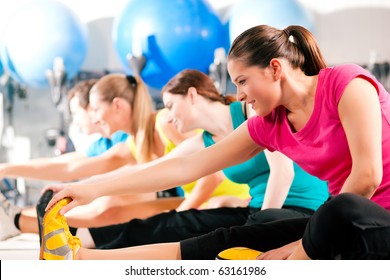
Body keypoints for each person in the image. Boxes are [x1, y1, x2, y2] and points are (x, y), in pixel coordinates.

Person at [40, 68, 329, 260]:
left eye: (170, 106)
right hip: (259, 212)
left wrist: (258, 230)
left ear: (191, 95)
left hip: (295, 213)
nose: (168, 117)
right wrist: (88, 188)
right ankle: (82, 243)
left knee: (217, 236)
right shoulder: (204, 140)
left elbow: (283, 170)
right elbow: (154, 170)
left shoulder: (254, 112)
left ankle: (85, 256)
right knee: (176, 222)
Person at [0, 73, 249, 240]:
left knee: (110, 208)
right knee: (108, 208)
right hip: (201, 200)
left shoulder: (166, 122)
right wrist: (81, 187)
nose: (94, 117)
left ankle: (19, 221)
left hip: (222, 200)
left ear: (118, 105)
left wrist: (181, 215)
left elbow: (212, 175)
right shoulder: (135, 142)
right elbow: (73, 167)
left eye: (95, 108)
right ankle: (19, 220)